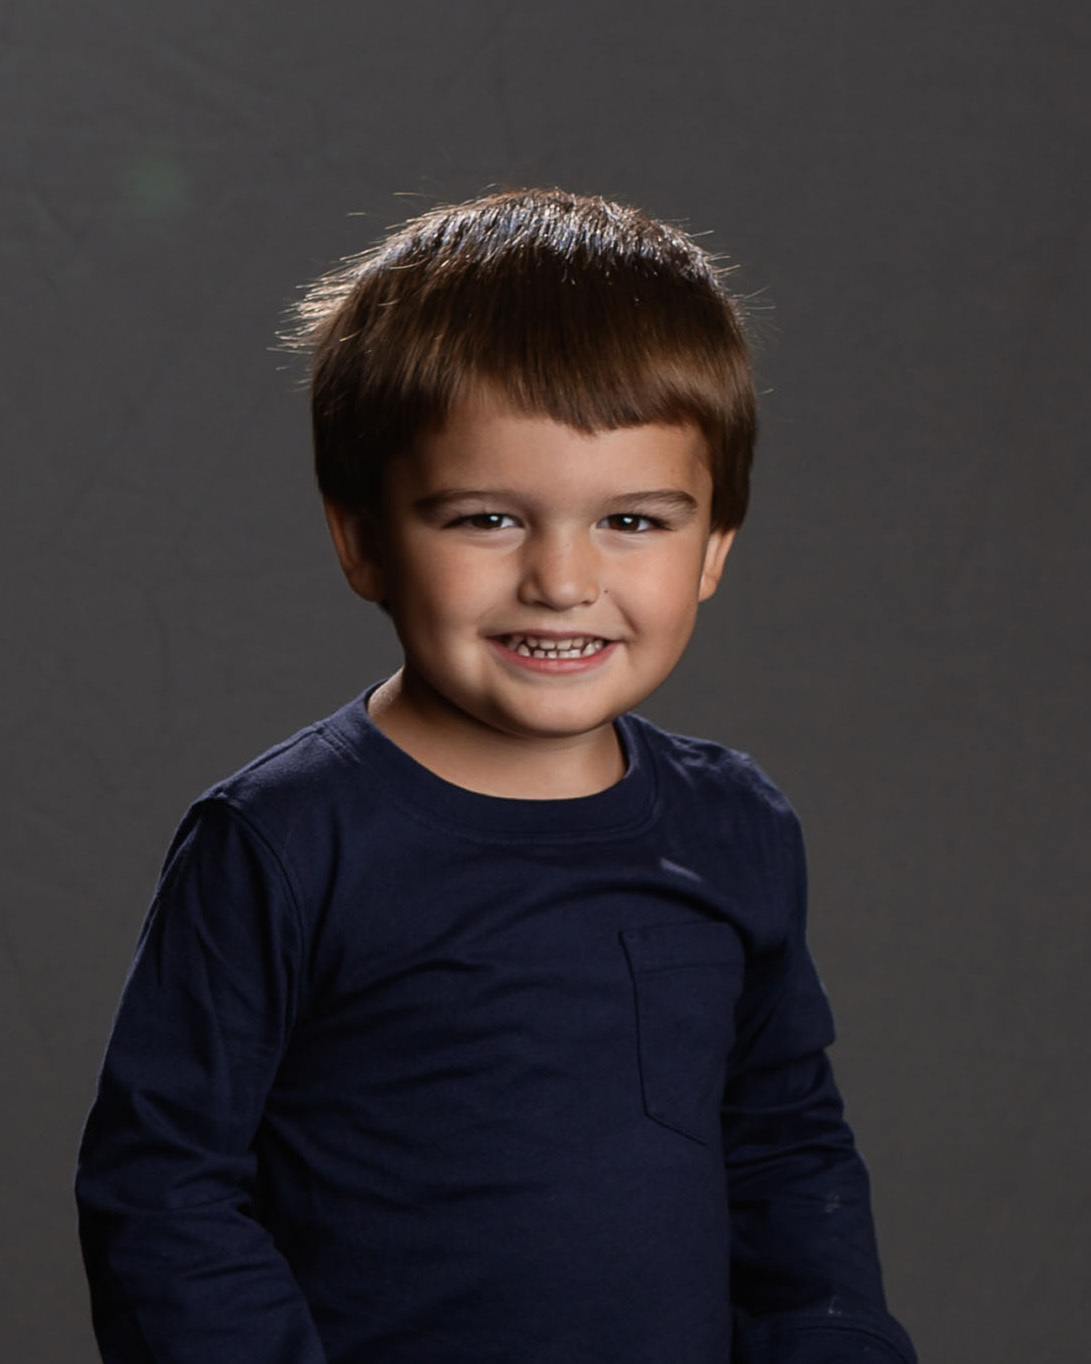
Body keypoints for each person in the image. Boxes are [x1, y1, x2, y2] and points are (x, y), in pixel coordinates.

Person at [76, 188, 917, 1364]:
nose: (560, 581)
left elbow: (785, 1148)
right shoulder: (280, 841)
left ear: (713, 545)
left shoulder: (733, 825)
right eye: (484, 519)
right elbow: (162, 1192)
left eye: (632, 520)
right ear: (362, 537)